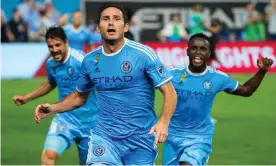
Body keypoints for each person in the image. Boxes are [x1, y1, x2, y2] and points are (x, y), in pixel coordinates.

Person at [33, 3, 177, 165]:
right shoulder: (89, 61)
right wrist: (52, 108)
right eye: (105, 19)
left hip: (140, 139)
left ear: (126, 27)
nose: (110, 23)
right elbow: (79, 97)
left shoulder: (143, 54)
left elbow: (169, 91)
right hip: (104, 137)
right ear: (98, 28)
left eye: (116, 19)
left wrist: (164, 122)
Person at [162, 33, 274, 165]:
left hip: (199, 138)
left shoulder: (217, 78)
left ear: (209, 53)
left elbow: (246, 90)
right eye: (194, 48)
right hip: (172, 136)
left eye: (203, 49)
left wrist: (262, 71)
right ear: (187, 51)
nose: (198, 52)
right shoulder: (172, 75)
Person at [13, 27, 97, 165]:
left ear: (66, 42)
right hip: (64, 119)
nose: (54, 49)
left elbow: (101, 83)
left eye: (58, 45)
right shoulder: (51, 64)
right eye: (50, 46)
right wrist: (26, 98)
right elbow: (51, 83)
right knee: (47, 157)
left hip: (90, 123)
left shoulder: (81, 61)